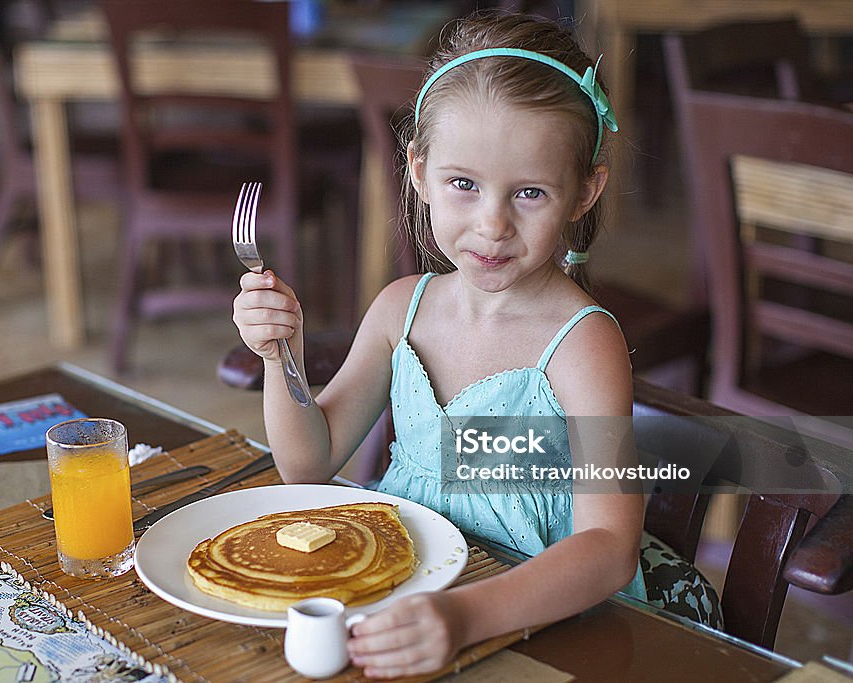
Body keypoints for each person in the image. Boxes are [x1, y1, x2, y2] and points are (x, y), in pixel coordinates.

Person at [234, 13, 717, 679]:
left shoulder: (583, 344)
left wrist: (464, 616)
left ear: (583, 192)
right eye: (464, 184)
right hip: (410, 595)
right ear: (421, 173)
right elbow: (306, 461)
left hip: (539, 621)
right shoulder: (400, 310)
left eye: (529, 192)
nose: (493, 224)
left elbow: (608, 547)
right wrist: (276, 356)